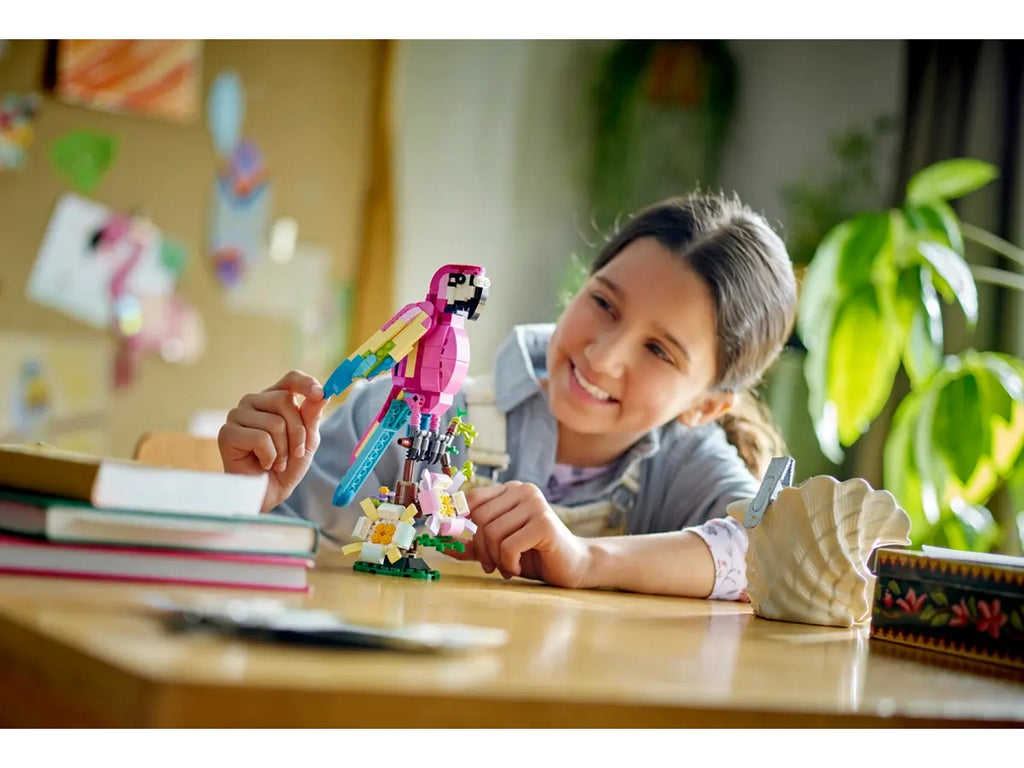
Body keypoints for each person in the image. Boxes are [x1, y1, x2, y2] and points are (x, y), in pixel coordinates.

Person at [217, 191, 798, 600]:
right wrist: (254, 500)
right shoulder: (403, 416)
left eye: (659, 350)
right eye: (604, 303)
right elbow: (264, 572)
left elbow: (773, 554)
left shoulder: (689, 465)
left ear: (705, 406)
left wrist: (586, 560)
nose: (603, 357)